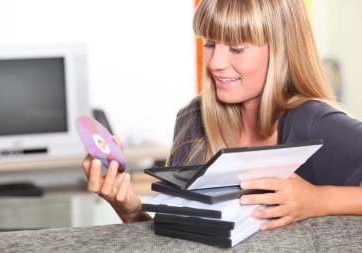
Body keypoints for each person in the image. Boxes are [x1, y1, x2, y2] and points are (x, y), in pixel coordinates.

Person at [82, 0, 362, 230]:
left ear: (282, 50)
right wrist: (129, 208)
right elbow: (178, 242)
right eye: (210, 44)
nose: (215, 63)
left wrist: (318, 200)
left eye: (237, 48)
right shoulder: (192, 120)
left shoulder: (316, 125)